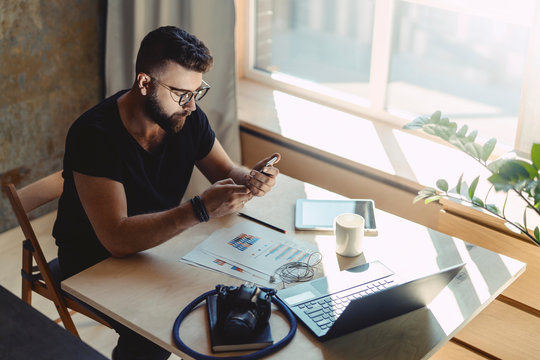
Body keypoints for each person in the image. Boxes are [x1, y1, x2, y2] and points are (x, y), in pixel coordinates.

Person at [52, 26, 280, 360]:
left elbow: (226, 172)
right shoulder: (94, 136)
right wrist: (199, 209)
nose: (190, 105)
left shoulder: (186, 117)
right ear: (144, 83)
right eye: (181, 94)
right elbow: (115, 239)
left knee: (234, 295)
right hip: (92, 260)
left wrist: (253, 178)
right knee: (155, 331)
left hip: (159, 244)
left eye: (197, 92)